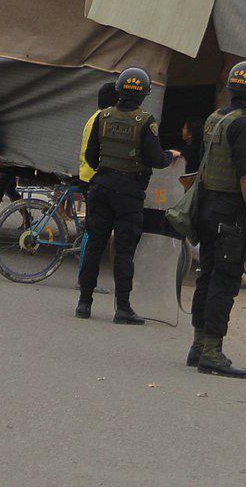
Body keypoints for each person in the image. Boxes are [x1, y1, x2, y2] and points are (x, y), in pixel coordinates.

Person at [189, 60, 246, 378]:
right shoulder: (245, 126)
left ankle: (198, 346)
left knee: (206, 277)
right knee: (223, 282)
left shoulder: (216, 118)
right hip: (231, 215)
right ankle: (212, 352)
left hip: (209, 209)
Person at [75, 68, 175, 324]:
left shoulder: (103, 117)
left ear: (119, 90)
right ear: (144, 94)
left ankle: (84, 303)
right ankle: (123, 308)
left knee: (94, 245)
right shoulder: (145, 121)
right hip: (129, 193)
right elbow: (155, 158)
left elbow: (89, 156)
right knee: (124, 250)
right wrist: (170, 157)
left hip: (101, 187)